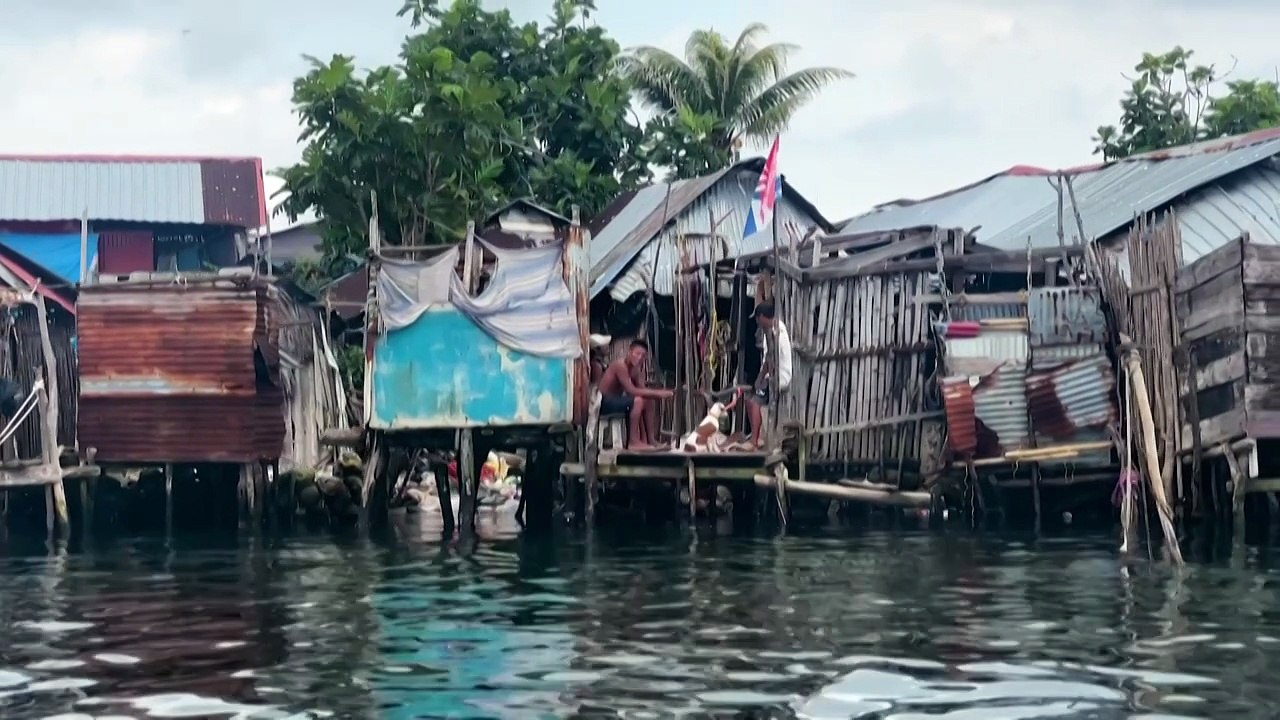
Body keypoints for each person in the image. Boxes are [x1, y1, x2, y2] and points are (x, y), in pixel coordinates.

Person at [598, 339, 672, 450]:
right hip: (603, 403)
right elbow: (631, 390)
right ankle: (633, 442)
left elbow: (642, 389)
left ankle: (650, 440)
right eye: (637, 354)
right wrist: (657, 393)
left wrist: (655, 395)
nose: (639, 358)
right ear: (629, 352)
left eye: (643, 356)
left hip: (617, 401)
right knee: (638, 401)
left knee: (647, 401)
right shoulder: (620, 365)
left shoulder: (635, 370)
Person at [747, 302, 792, 449]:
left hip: (779, 377)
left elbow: (769, 360)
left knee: (755, 401)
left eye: (757, 319)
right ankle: (757, 436)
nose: (757, 322)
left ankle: (754, 440)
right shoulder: (773, 328)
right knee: (749, 399)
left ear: (761, 317)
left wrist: (759, 378)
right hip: (773, 375)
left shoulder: (776, 331)